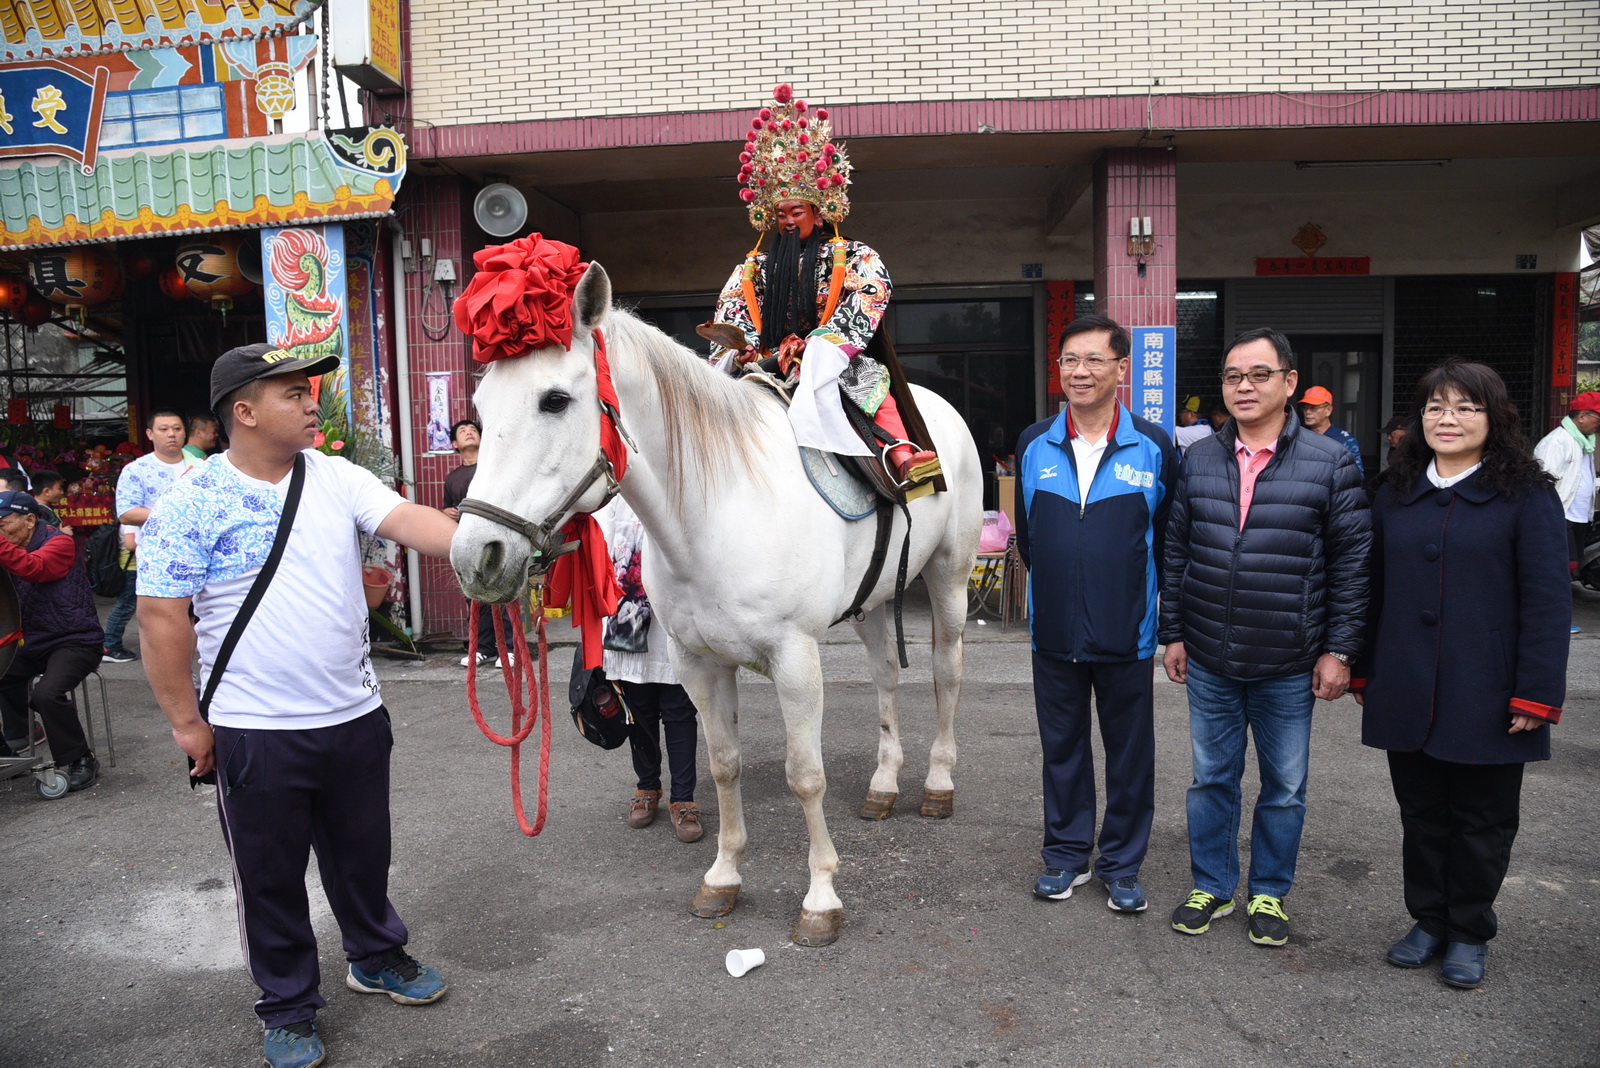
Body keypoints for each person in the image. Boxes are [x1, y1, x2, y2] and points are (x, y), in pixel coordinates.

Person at [137, 343, 460, 1068]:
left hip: (352, 716)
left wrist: (490, 544)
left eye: (310, 390)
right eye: (292, 392)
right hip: (255, 731)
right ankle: (286, 1004)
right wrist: (189, 725)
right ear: (244, 412)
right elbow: (161, 618)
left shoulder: (338, 476)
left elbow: (413, 522)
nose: (312, 402)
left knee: (362, 855)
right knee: (270, 874)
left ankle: (375, 955)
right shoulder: (190, 502)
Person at [1353, 361, 1568, 989]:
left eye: (1465, 407)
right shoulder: (1394, 490)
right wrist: (1366, 669)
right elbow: (1373, 587)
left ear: (1493, 417)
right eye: (1435, 407)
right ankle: (1428, 920)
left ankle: (1469, 928)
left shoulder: (1526, 494)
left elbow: (1549, 601)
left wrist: (1537, 692)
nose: (1448, 419)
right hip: (1407, 683)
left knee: (1483, 820)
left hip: (1491, 689)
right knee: (1421, 813)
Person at [1160, 326, 1370, 947]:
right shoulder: (1198, 457)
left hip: (1289, 657)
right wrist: (1173, 632)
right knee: (1211, 779)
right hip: (1210, 655)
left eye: (1258, 375)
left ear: (1289, 383)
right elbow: (1176, 550)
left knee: (1283, 787)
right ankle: (1212, 885)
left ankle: (1270, 894)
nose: (1244, 387)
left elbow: (1354, 564)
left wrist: (1340, 650)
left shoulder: (1331, 462)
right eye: (1232, 377)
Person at [1014, 314, 1178, 912]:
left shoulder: (1155, 445)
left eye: (1093, 361)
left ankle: (1122, 864)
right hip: (1053, 632)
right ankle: (1064, 856)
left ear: (1121, 370)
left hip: (1126, 632)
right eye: (1069, 361)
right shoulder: (1035, 443)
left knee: (1130, 754)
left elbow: (1165, 542)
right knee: (1062, 749)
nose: (1079, 373)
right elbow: (1029, 539)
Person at [712, 84, 937, 488]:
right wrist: (742, 343)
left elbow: (868, 296)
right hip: (765, 364)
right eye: (779, 214)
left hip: (829, 360)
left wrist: (817, 343)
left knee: (873, 391)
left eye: (796, 211)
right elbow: (734, 308)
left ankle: (903, 458)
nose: (787, 221)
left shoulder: (855, 256)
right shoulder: (753, 267)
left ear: (819, 213)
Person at [599, 497, 705, 843]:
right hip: (627, 618)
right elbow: (596, 541)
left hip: (678, 617)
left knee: (679, 710)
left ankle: (683, 797)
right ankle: (647, 787)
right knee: (639, 711)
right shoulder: (614, 494)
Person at [0, 491, 104, 790]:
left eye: (3, 524)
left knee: (46, 694)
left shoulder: (59, 542)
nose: (0, 531)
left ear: (30, 519)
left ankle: (80, 759)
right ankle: (5, 758)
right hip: (29, 642)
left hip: (74, 640)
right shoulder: (9, 548)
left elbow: (34, 568)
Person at [104, 407, 195, 662]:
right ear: (150, 433)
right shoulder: (137, 470)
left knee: (199, 618)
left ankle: (198, 672)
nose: (171, 435)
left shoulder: (200, 467)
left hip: (199, 555)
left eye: (177, 429)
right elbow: (127, 513)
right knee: (164, 620)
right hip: (158, 559)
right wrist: (174, 513)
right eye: (164, 429)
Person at [441, 418, 500, 668]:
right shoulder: (452, 477)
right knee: (474, 597)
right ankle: (483, 649)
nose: (468, 433)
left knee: (502, 594)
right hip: (467, 541)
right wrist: (446, 513)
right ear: (455, 444)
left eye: (473, 430)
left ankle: (508, 649)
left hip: (494, 538)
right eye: (462, 432)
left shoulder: (493, 467)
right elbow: (446, 506)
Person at [1531, 391, 1600, 582]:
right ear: (1582, 416)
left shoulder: (1584, 442)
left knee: (1572, 564)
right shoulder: (1557, 441)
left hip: (1579, 514)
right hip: (1562, 512)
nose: (1599, 423)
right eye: (1598, 417)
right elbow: (1542, 480)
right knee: (1566, 563)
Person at [1298, 385, 1364, 474]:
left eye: (1314, 408)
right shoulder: (1299, 438)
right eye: (1305, 407)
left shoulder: (1345, 440)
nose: (1308, 412)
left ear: (1328, 410)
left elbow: (1357, 475)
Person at [1365, 414, 1409, 500]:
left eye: (1391, 433)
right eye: (1387, 434)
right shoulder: (1393, 451)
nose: (1388, 437)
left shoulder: (1418, 450)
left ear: (1404, 431)